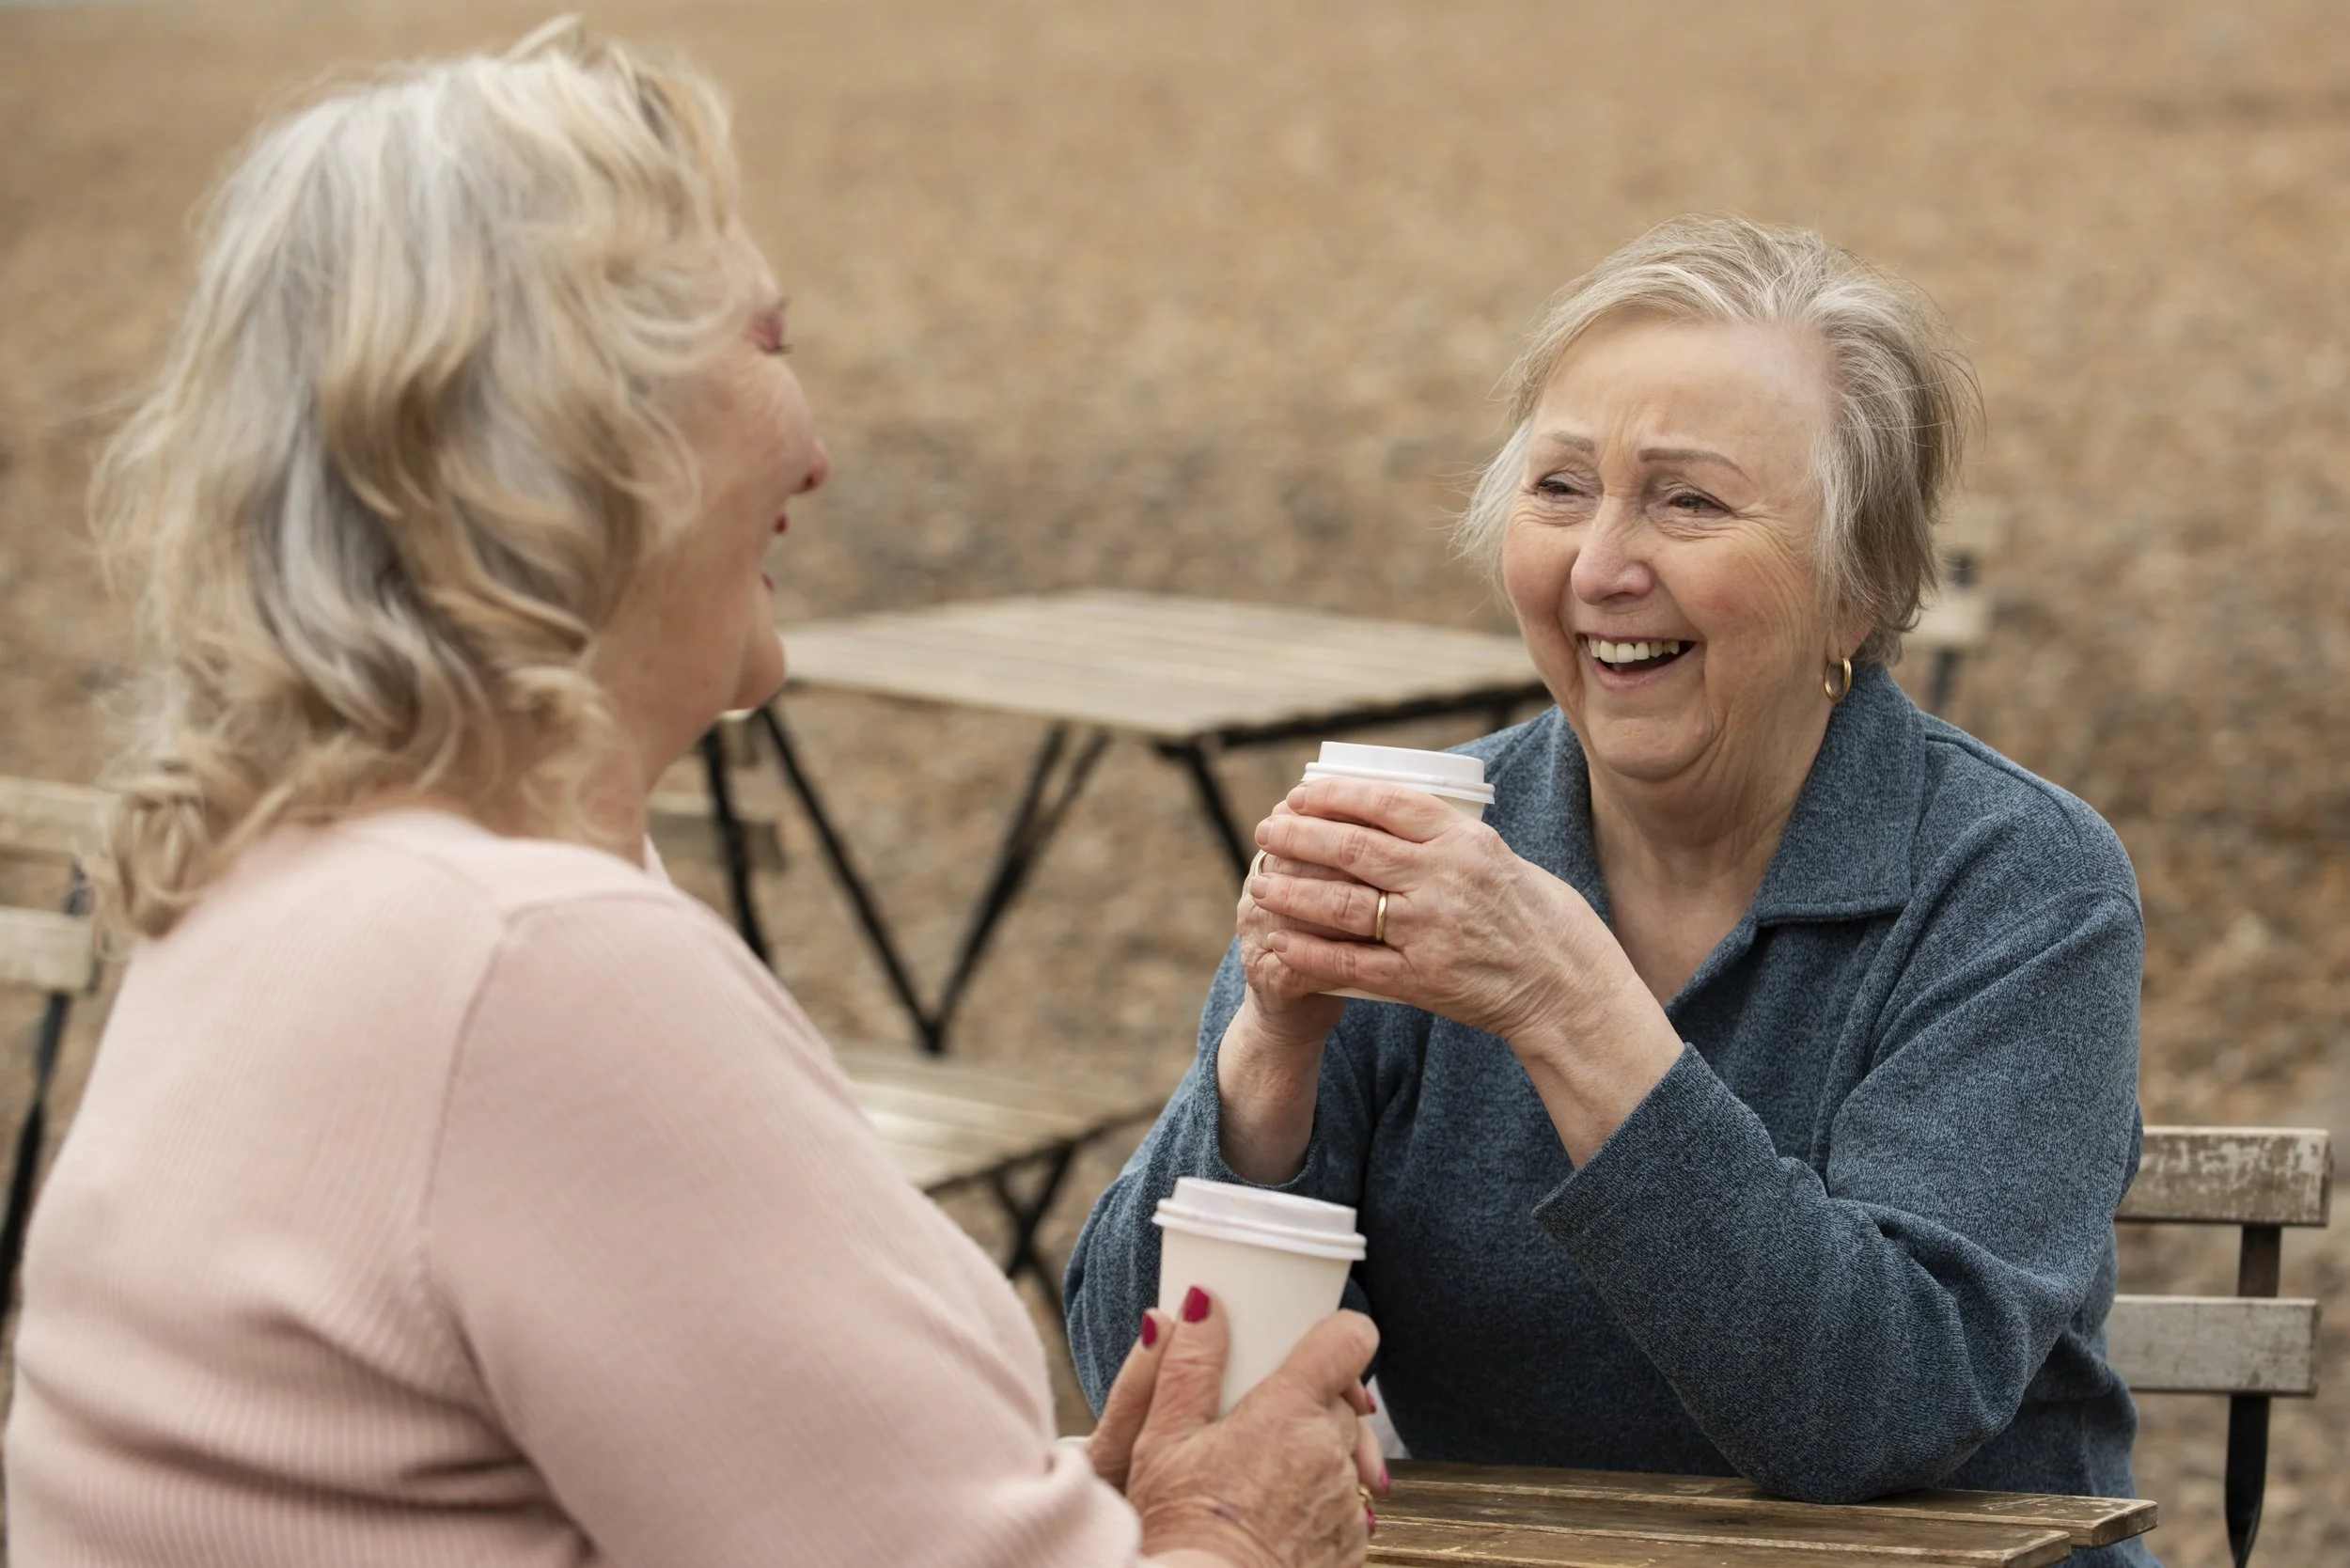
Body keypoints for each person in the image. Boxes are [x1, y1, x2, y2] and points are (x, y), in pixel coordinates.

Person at [2, 24, 1386, 1568]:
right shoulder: (530, 964)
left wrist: (1072, 1509)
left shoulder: (284, 877)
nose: (816, 448)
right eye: (769, 345)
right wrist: (1239, 1531)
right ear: (593, 435)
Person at [1066, 216, 2154, 1566]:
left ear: (1858, 586)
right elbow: (1145, 1389)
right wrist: (1268, 1063)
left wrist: (1561, 1000)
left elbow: (1873, 1411)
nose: (1599, 567)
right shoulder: (1421, 840)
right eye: (1562, 488)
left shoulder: (2015, 883)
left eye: (1688, 500)